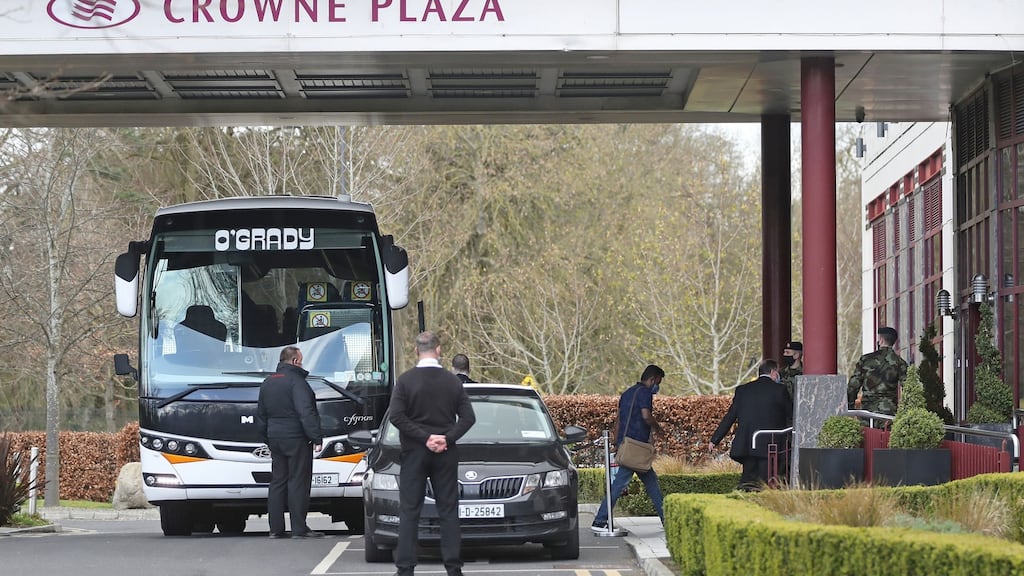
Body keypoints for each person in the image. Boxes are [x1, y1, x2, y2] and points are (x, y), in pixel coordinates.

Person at [389, 331, 476, 576]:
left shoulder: (405, 381)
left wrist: (423, 437)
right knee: (448, 510)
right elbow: (469, 417)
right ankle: (453, 568)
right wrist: (446, 438)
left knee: (409, 511)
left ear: (416, 351)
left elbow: (396, 416)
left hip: (414, 452)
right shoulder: (452, 381)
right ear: (438, 350)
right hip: (445, 453)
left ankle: (405, 568)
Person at [256, 346, 325, 538]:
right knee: (298, 481)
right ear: (294, 361)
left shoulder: (268, 382)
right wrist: (316, 437)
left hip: (275, 438)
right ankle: (298, 528)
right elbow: (305, 412)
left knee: (277, 481)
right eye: (301, 361)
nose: (302, 364)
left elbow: (260, 415)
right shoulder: (297, 382)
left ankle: (275, 529)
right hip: (296, 438)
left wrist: (267, 439)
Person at [591, 364, 666, 532]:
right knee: (620, 485)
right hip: (637, 447)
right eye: (658, 382)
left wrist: (618, 444)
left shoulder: (627, 393)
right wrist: (658, 428)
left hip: (626, 445)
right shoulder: (645, 393)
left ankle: (665, 519)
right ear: (652, 379)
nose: (657, 387)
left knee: (650, 483)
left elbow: (618, 421)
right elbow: (646, 416)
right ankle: (600, 520)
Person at [709, 359, 793, 491]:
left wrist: (715, 439)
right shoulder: (780, 390)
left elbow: (730, 416)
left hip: (748, 444)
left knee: (748, 482)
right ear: (773, 372)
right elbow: (791, 414)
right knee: (768, 483)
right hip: (771, 445)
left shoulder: (743, 390)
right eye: (777, 372)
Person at [848, 326, 908, 421]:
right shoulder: (900, 363)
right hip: (889, 412)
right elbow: (908, 387)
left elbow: (853, 385)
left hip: (868, 411)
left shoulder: (866, 360)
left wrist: (850, 406)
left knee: (867, 435)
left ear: (880, 340)